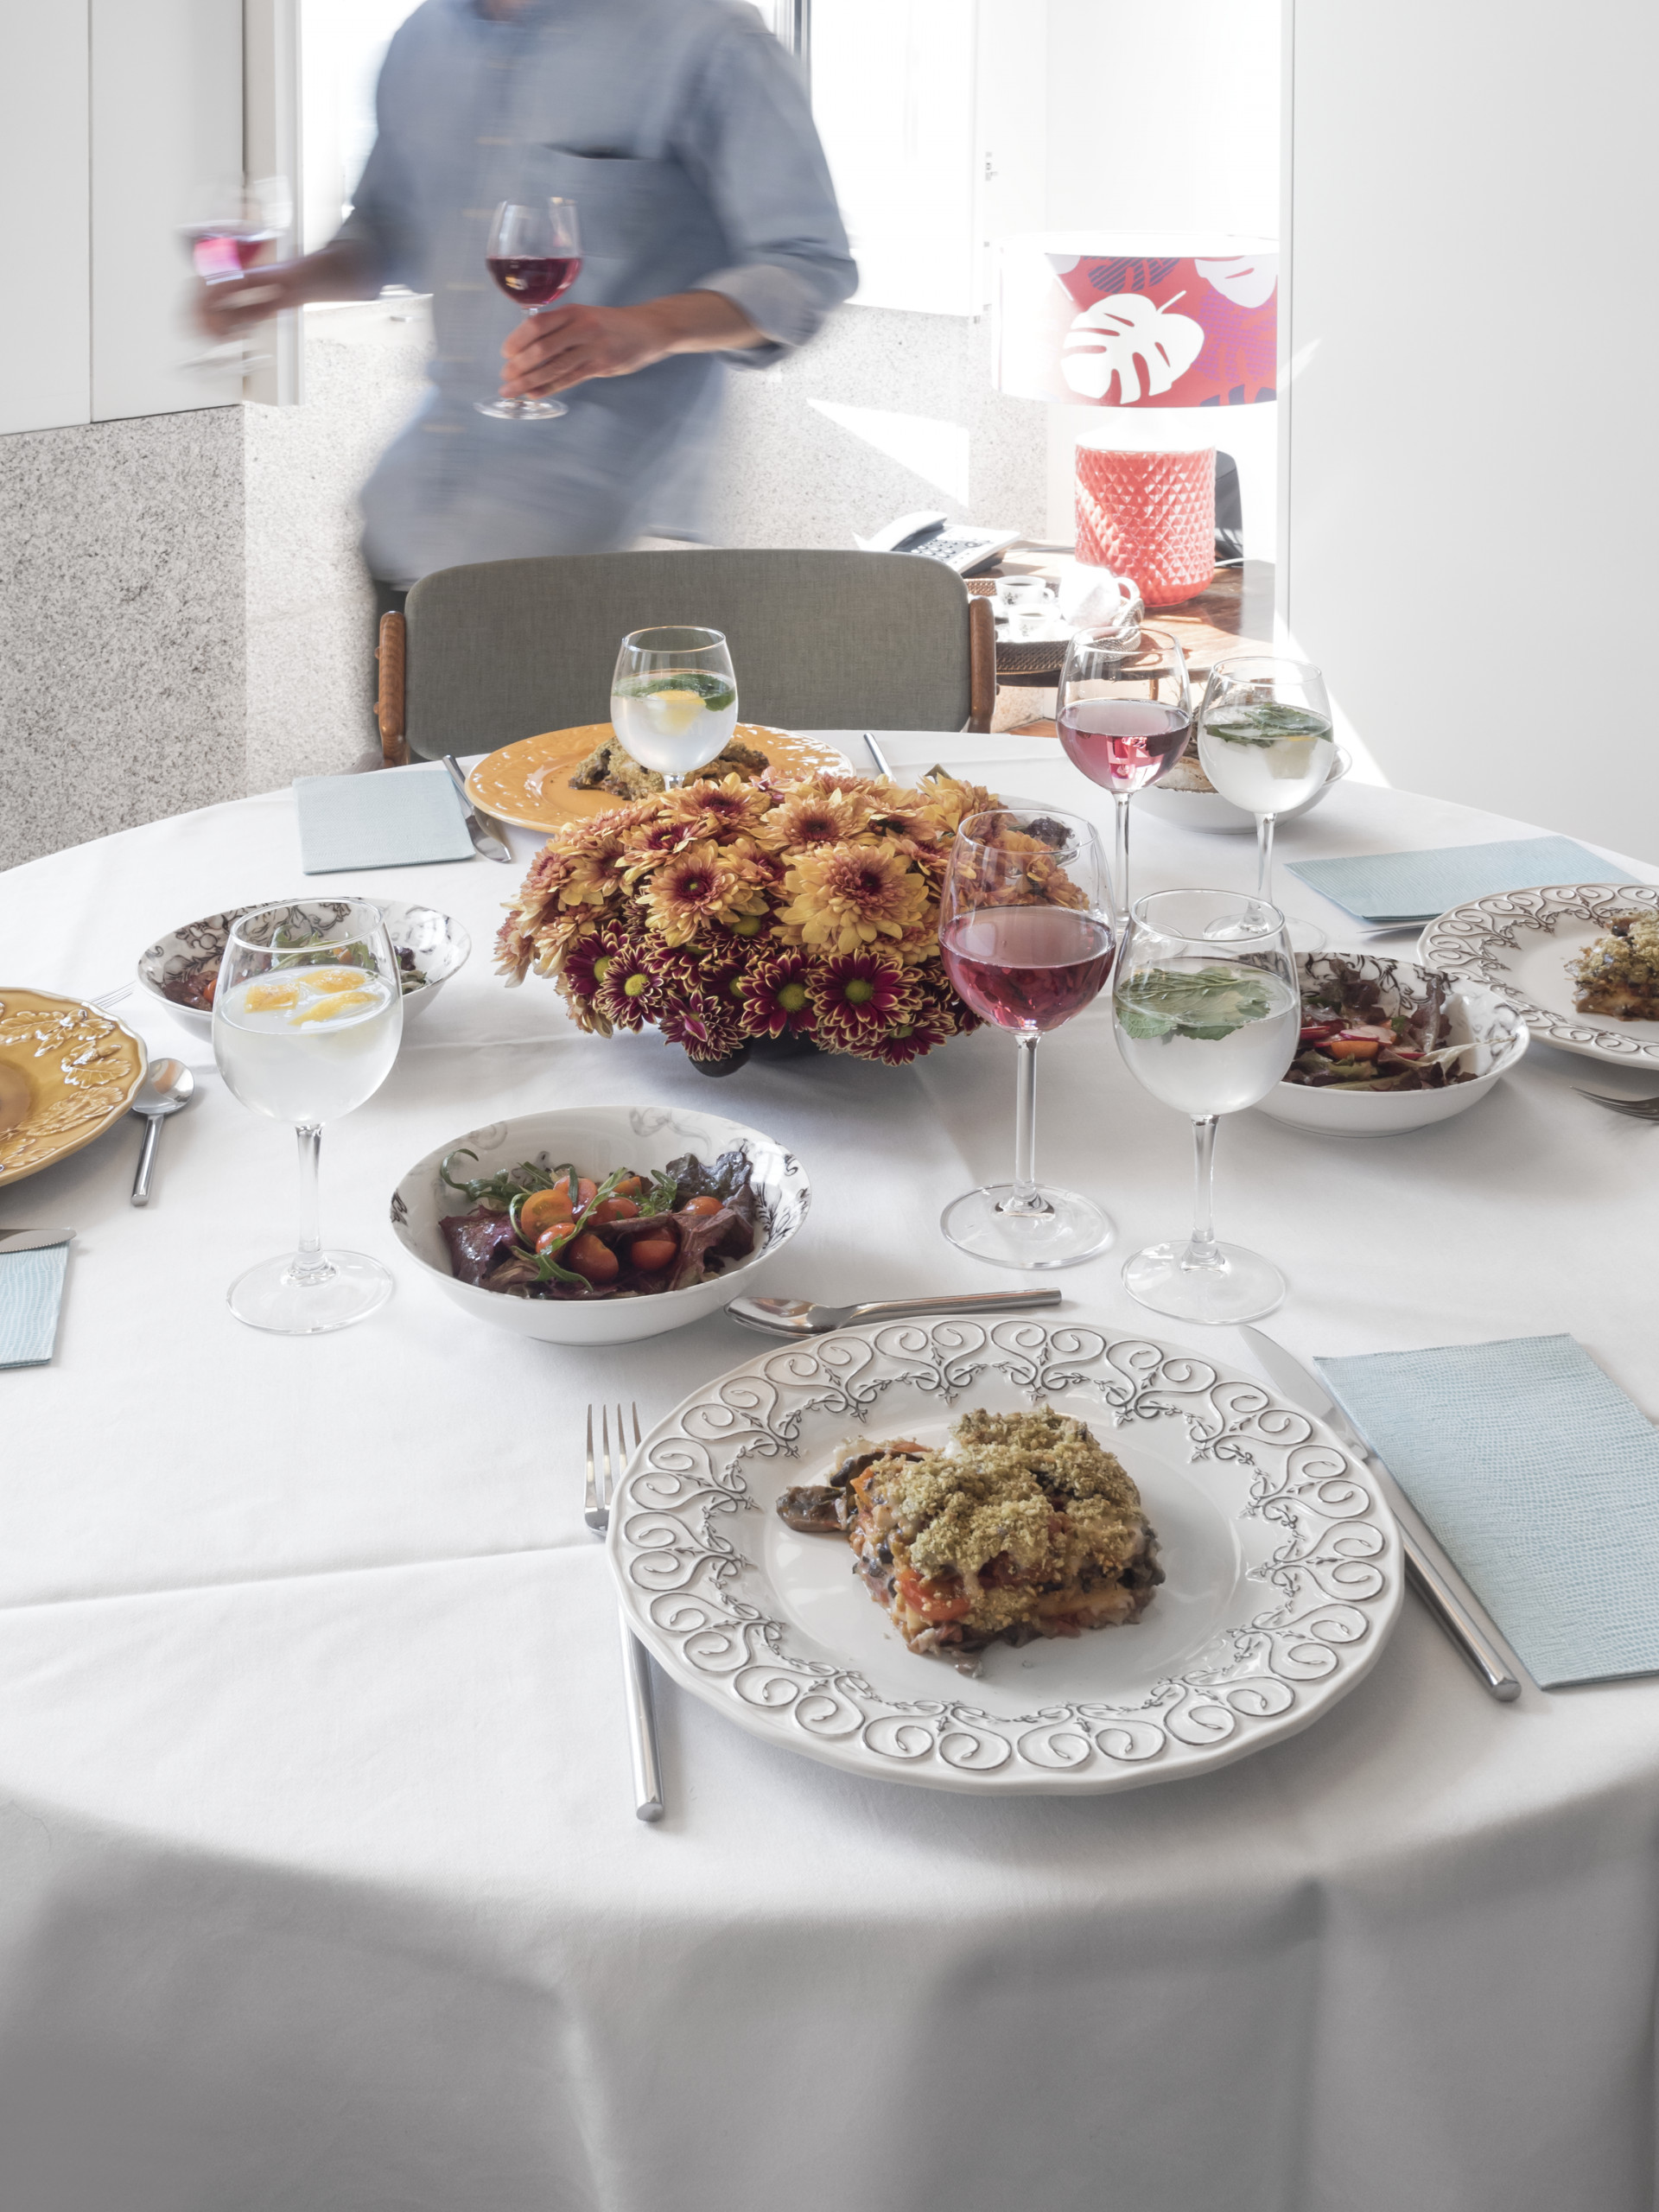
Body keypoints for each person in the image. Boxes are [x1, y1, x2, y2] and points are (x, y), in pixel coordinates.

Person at [200, 0, 855, 620]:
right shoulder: (423, 38)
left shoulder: (707, 37)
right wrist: (291, 282)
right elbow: (390, 228)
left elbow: (808, 264)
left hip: (597, 555)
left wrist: (650, 328)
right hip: (405, 528)